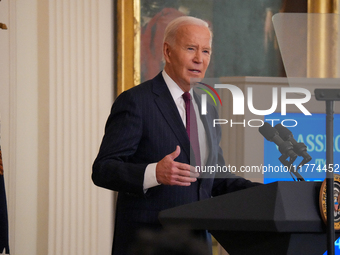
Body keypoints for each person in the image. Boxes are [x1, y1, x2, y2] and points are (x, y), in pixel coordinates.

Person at [92, 16, 260, 255]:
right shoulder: (137, 101)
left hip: (196, 244)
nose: (199, 59)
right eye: (190, 48)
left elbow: (217, 180)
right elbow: (103, 170)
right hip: (148, 244)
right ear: (167, 51)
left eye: (205, 51)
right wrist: (154, 173)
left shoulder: (207, 108)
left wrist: (268, 193)